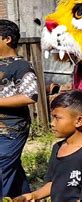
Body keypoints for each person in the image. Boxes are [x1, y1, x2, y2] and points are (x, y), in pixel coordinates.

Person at [14, 90, 82, 202]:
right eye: (52, 117)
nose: (52, 123)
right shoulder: (57, 148)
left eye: (57, 118)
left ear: (78, 121)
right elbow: (53, 183)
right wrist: (33, 195)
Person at [0, 20, 38, 197]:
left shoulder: (21, 66)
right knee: (11, 169)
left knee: (1, 168)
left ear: (7, 39)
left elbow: (30, 96)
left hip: (11, 130)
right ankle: (24, 198)